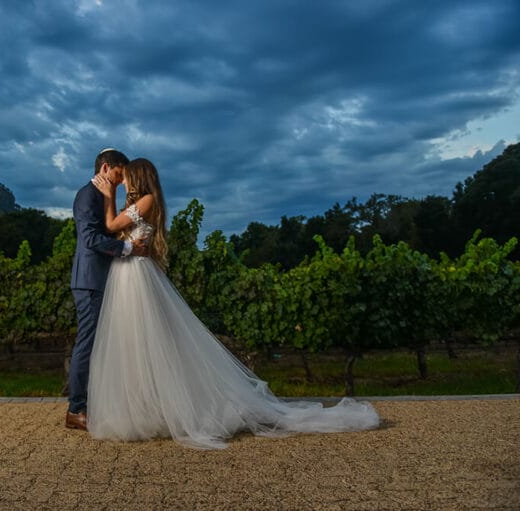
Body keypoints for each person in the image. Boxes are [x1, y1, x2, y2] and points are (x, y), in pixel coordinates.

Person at [86, 157, 380, 449]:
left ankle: (157, 408)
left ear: (138, 178)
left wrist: (108, 195)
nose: (122, 180)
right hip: (127, 275)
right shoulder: (140, 203)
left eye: (126, 177)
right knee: (131, 342)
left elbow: (111, 225)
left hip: (136, 277)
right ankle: (142, 406)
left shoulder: (147, 200)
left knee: (146, 340)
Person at [66, 148, 148, 431]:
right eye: (119, 173)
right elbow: (90, 239)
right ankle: (76, 410)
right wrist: (128, 248)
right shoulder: (86, 196)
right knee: (87, 344)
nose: (122, 178)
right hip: (90, 280)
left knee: (100, 344)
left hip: (104, 280)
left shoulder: (103, 196)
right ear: (105, 169)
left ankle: (96, 403)